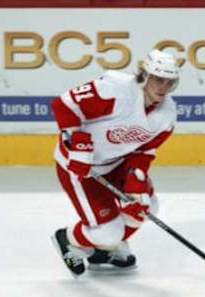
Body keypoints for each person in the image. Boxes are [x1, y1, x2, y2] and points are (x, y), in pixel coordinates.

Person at [50, 49, 180, 276]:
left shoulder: (167, 114)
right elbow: (64, 105)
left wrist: (135, 180)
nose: (163, 87)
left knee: (145, 206)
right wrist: (77, 143)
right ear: (145, 76)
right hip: (80, 168)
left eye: (169, 82)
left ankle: (103, 252)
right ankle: (68, 239)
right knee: (107, 232)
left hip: (116, 164)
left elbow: (145, 151)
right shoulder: (117, 90)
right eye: (158, 80)